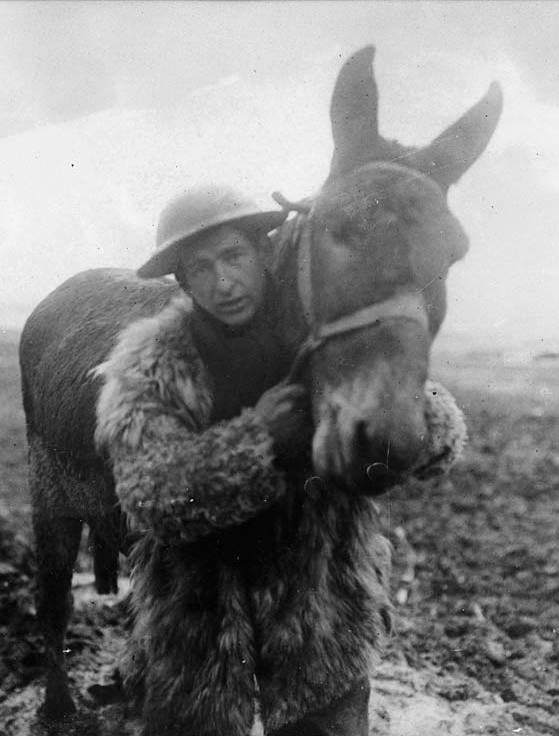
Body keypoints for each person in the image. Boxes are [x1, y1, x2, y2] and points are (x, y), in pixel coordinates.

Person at [94, 184, 387, 736]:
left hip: (320, 605)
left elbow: (420, 427)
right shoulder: (152, 362)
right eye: (200, 268)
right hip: (199, 616)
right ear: (180, 281)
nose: (222, 282)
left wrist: (405, 421)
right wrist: (260, 440)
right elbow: (150, 497)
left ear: (264, 250)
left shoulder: (330, 330)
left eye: (233, 256)